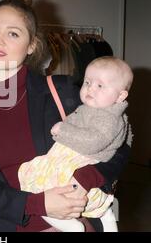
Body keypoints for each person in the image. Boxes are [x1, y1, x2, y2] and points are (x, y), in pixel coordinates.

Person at [0, 0, 131, 232]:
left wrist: (88, 179)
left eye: (13, 33)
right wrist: (40, 204)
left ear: (31, 45)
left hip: (71, 221)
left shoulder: (62, 91)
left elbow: (121, 140)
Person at [18, 56, 133, 232]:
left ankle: (68, 224)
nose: (90, 89)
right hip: (74, 155)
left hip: (81, 158)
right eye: (87, 82)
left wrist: (63, 130)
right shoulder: (92, 109)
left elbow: (94, 141)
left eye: (100, 85)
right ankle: (105, 215)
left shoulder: (109, 117)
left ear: (120, 96)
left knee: (40, 182)